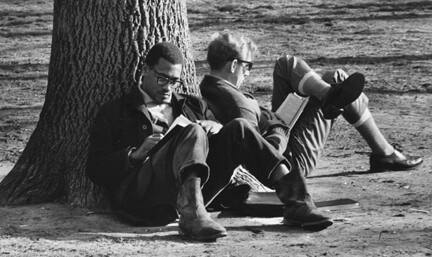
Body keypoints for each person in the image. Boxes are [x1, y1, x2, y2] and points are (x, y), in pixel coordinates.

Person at [86, 42, 334, 243]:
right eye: (162, 79)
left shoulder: (190, 105)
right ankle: (192, 217)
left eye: (175, 82)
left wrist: (215, 128)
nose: (168, 88)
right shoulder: (117, 111)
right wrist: (134, 155)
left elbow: (225, 140)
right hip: (145, 197)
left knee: (238, 128)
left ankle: (297, 202)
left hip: (194, 190)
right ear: (146, 70)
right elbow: (95, 169)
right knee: (193, 131)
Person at [200, 33, 423, 180]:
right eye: (247, 68)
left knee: (287, 65)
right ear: (233, 65)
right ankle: (385, 153)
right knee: (338, 89)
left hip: (277, 137)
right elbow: (258, 154)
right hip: (287, 162)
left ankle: (328, 93)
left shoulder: (210, 87)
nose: (247, 74)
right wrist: (279, 127)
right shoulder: (239, 104)